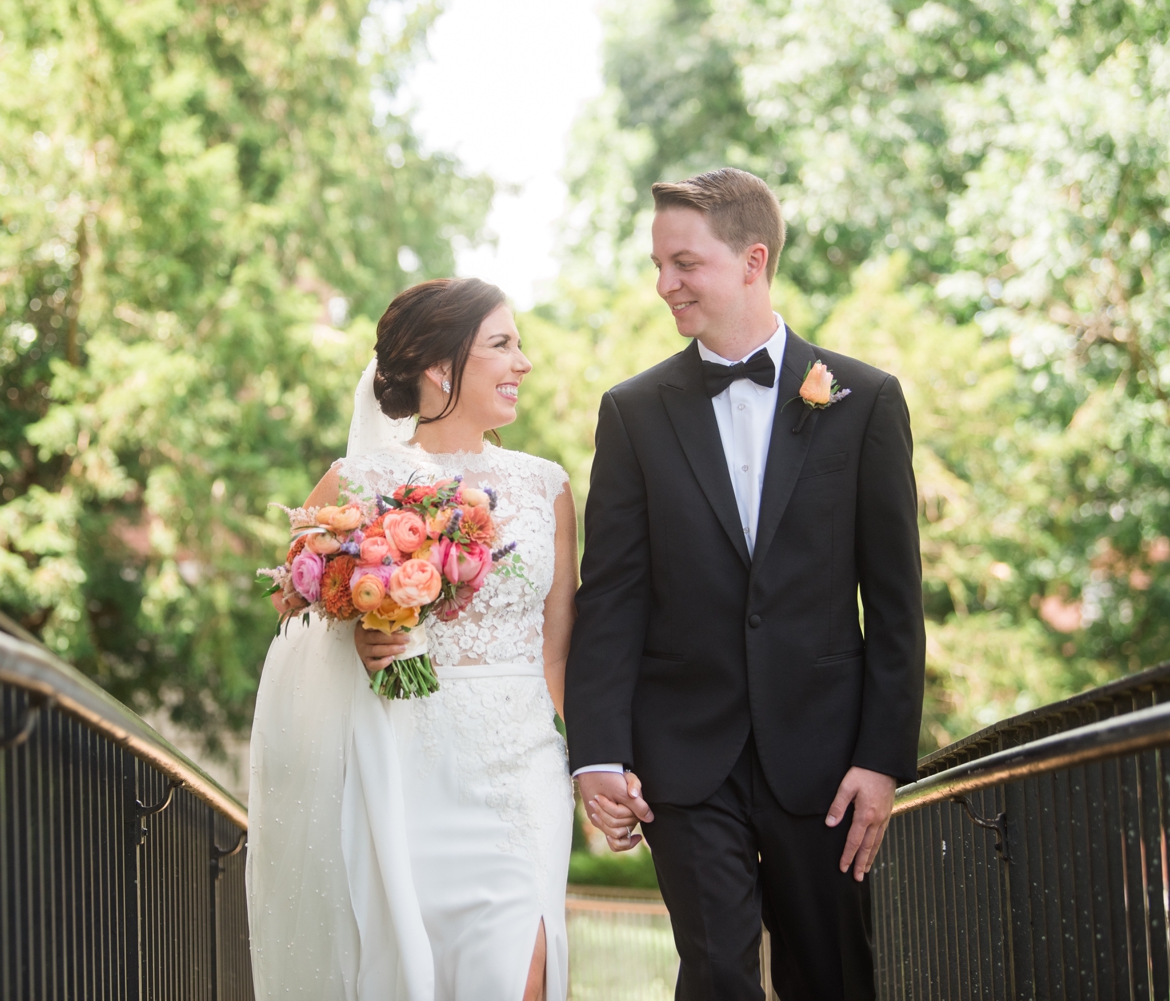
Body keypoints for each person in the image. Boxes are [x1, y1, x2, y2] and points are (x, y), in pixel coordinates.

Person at [566, 168, 925, 1000]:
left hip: (827, 759)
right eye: (659, 264)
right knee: (720, 968)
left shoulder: (865, 400)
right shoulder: (632, 411)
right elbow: (611, 594)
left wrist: (882, 758)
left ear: (752, 260)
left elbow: (896, 600)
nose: (665, 285)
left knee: (831, 973)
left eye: (684, 264)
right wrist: (598, 750)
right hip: (685, 757)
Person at [247, 277, 579, 1001]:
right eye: (502, 344)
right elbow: (290, 612)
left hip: (522, 769)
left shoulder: (545, 487)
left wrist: (585, 766)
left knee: (523, 967)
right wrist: (356, 640)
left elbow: (557, 651)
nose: (523, 362)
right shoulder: (355, 480)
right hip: (405, 761)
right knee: (409, 972)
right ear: (439, 366)